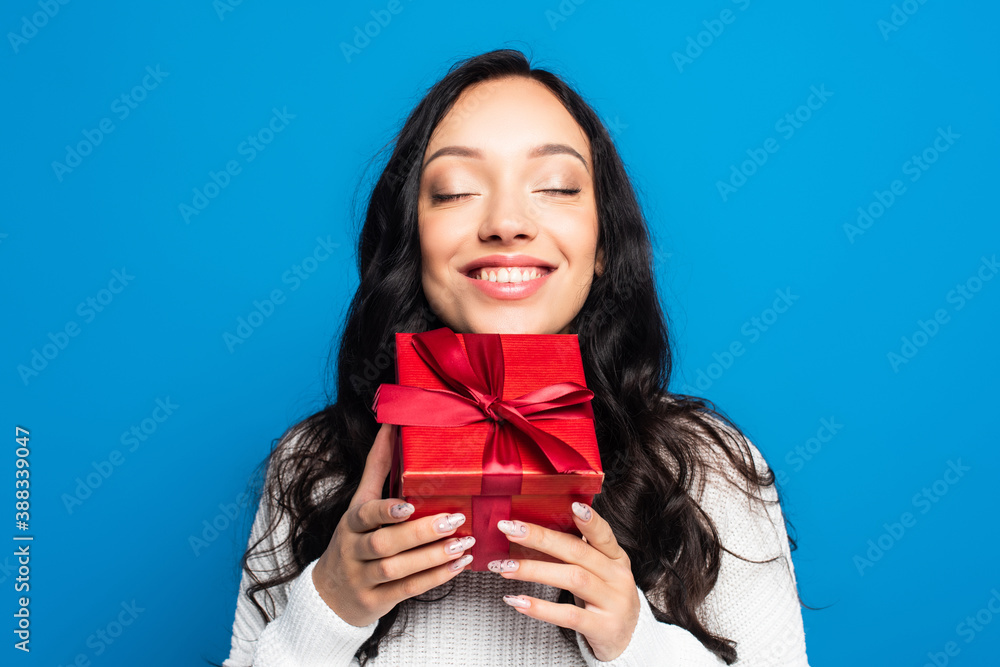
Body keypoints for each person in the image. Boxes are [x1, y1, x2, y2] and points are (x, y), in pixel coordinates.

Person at [217, 48, 810, 666]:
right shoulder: (313, 465)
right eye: (454, 191)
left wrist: (633, 640)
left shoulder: (706, 465)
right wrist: (330, 606)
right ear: (411, 240)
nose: (505, 222)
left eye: (555, 187)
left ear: (603, 242)